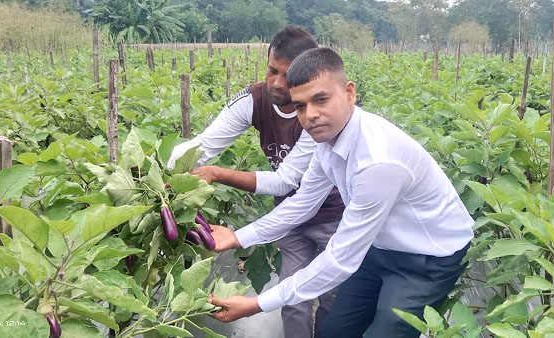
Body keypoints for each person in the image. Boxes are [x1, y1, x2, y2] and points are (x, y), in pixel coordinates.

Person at [206, 47, 475, 338]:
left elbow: (340, 260)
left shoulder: (377, 162)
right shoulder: (327, 142)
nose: (311, 115)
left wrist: (257, 303)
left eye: (321, 99)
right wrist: (238, 237)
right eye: (300, 106)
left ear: (349, 92)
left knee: (386, 333)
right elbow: (303, 204)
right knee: (336, 330)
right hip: (379, 248)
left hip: (427, 258)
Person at [166, 26, 343, 338]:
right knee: (293, 295)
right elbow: (203, 146)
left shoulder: (317, 113)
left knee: (333, 298)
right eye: (271, 70)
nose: (275, 82)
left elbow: (284, 181)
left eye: (286, 76)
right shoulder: (252, 100)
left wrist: (218, 173)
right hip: (289, 218)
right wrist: (161, 169)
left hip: (334, 215)